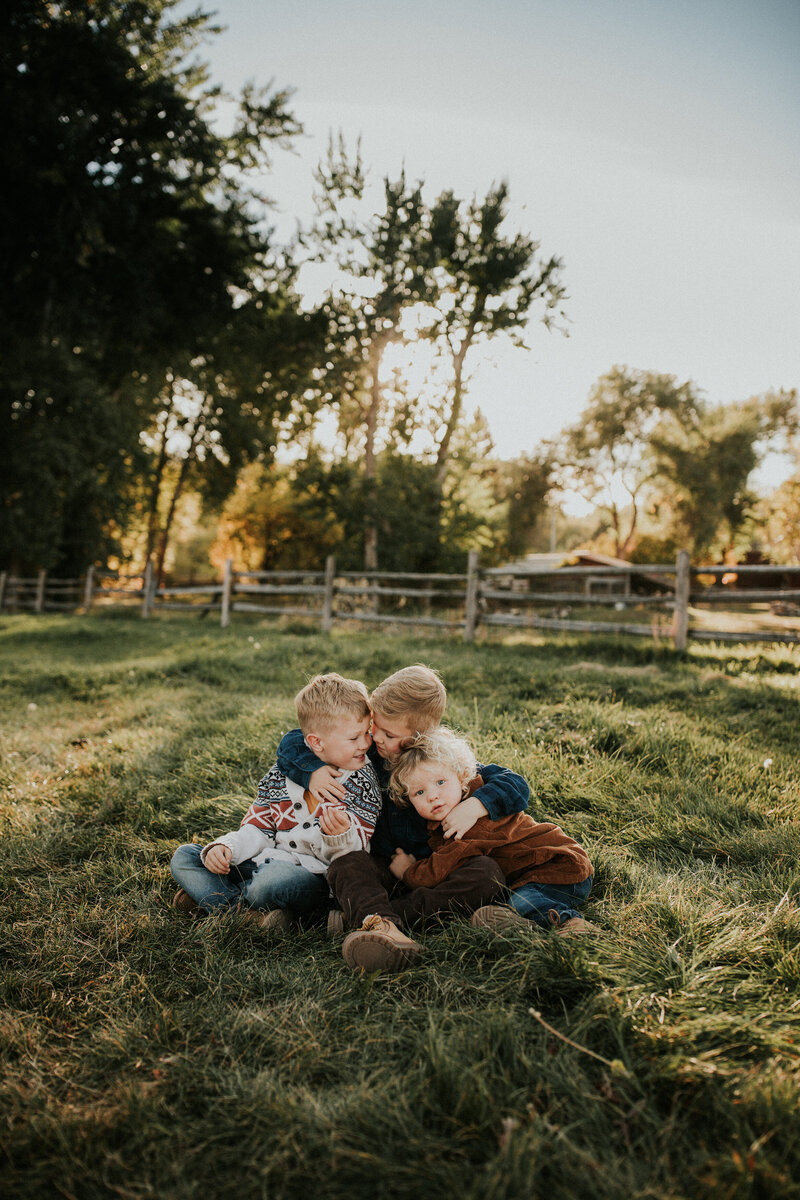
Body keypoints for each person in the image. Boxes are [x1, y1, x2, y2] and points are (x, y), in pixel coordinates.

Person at [276, 664, 531, 970]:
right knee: (347, 863)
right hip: (382, 865)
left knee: (486, 872)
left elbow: (515, 784)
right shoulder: (370, 753)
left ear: (420, 736)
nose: (376, 739)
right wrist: (313, 770)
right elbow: (293, 740)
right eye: (374, 727)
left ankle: (373, 919)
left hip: (437, 871)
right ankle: (382, 926)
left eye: (389, 734)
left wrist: (475, 804)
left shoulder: (440, 759)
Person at [170, 673, 381, 931]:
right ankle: (247, 915)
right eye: (354, 738)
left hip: (310, 878)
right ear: (316, 742)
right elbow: (259, 827)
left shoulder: (362, 781)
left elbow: (355, 852)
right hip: (261, 861)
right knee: (186, 856)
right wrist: (227, 848)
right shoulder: (281, 775)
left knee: (272, 880)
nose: (366, 744)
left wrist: (341, 835)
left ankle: (213, 899)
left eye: (366, 733)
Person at [386, 727, 595, 938]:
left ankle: (571, 924)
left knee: (525, 901)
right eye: (419, 792)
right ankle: (518, 925)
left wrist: (408, 871)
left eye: (440, 782)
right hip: (532, 873)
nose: (433, 796)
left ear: (461, 777)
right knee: (514, 900)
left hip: (558, 868)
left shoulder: (469, 822)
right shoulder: (453, 810)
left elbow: (438, 870)